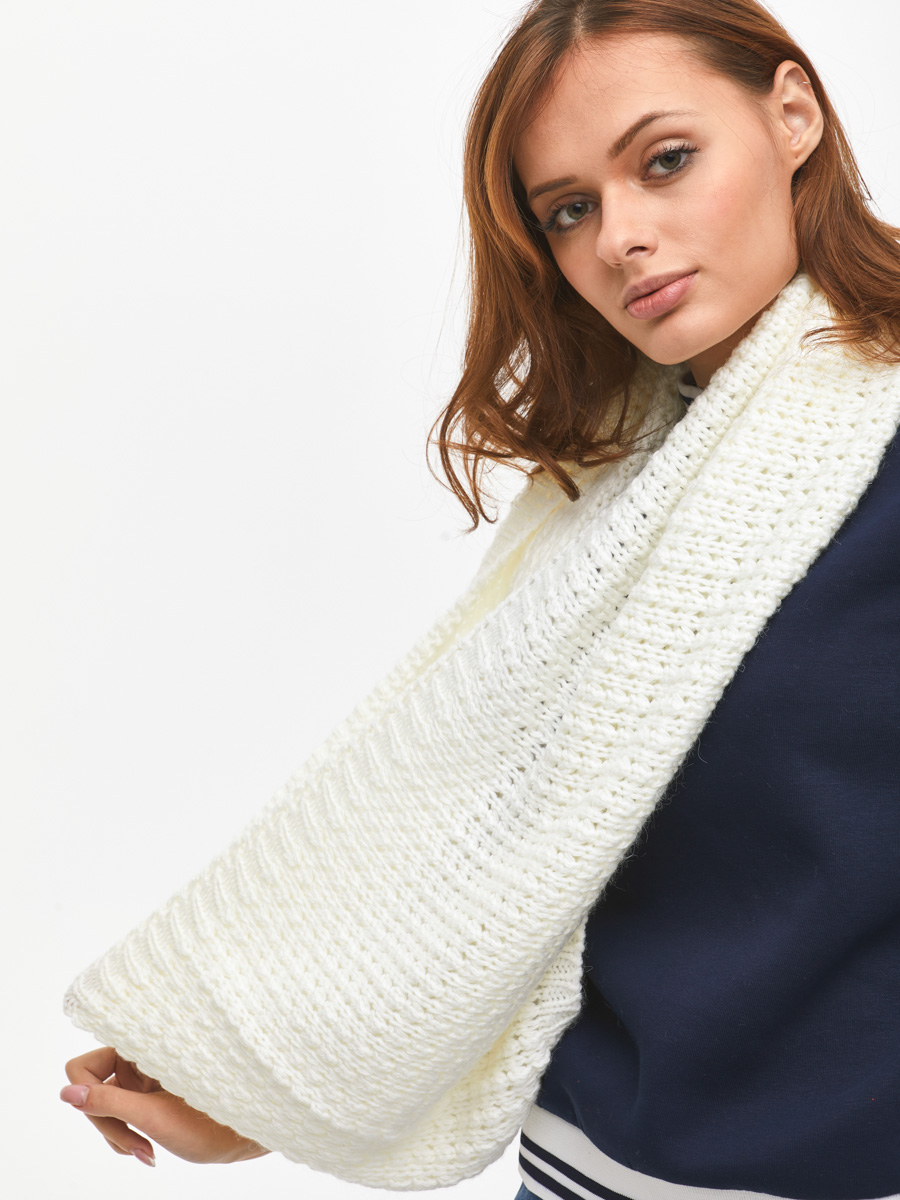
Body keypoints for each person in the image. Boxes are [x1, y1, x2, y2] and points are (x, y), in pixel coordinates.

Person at [60, 1, 900, 1197]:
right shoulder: (625, 476)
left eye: (666, 161)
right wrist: (251, 1078)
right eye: (569, 210)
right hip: (584, 1161)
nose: (622, 238)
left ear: (793, 114)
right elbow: (503, 855)